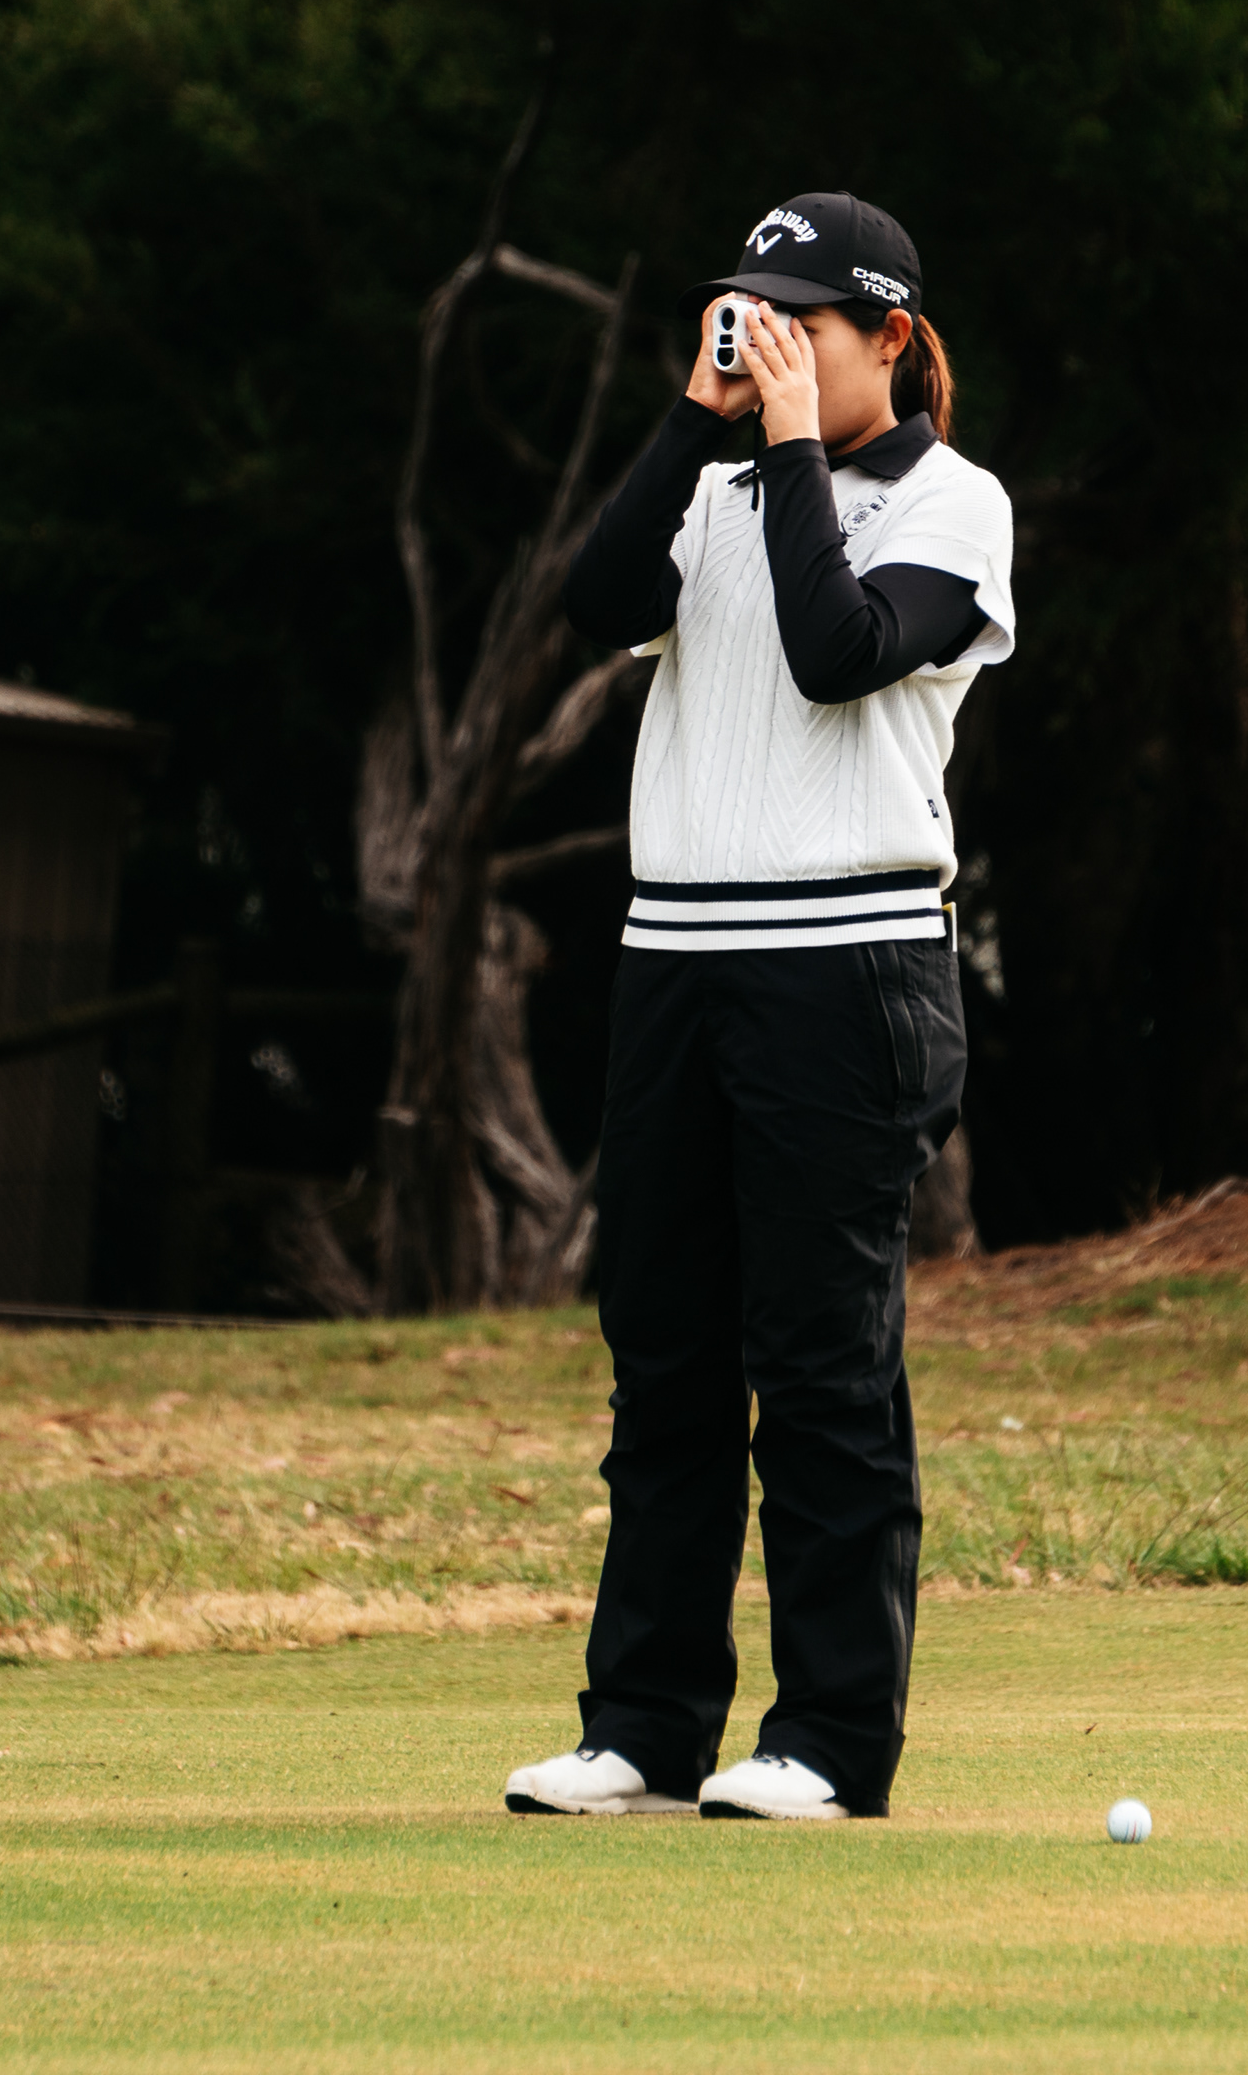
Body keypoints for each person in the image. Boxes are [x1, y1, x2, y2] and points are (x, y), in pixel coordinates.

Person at [508, 192, 1013, 1822]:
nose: (770, 343)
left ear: (890, 336)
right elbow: (594, 604)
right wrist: (696, 420)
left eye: (803, 323)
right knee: (663, 1357)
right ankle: (645, 1726)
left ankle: (831, 1742)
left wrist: (790, 449)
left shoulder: (956, 503)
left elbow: (838, 651)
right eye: (751, 314)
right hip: (675, 958)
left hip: (847, 969)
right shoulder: (715, 490)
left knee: (818, 1365)